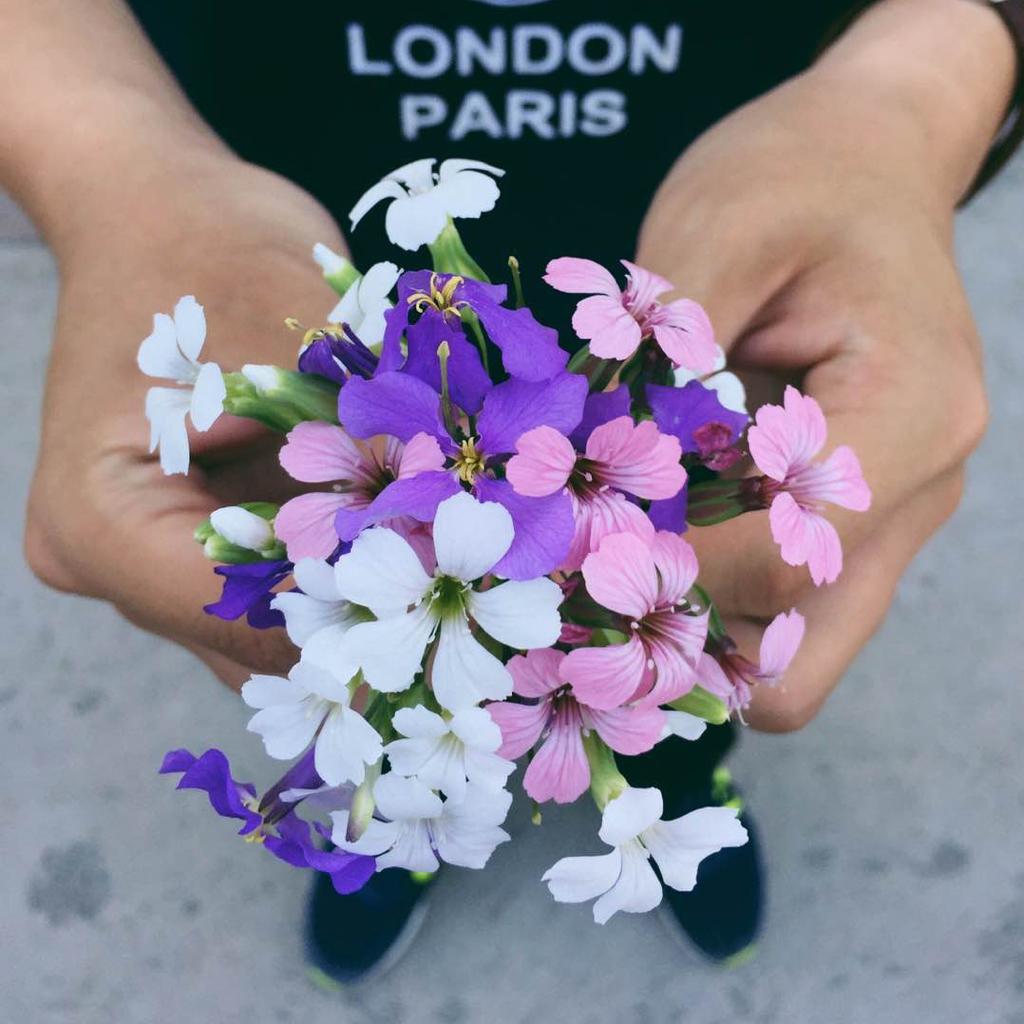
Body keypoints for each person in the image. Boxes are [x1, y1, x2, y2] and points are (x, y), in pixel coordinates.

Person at [3, 0, 1017, 981]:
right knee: (389, 709)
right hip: (326, 298)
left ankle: (671, 792)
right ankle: (401, 817)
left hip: (697, 312)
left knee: (683, 673)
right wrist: (109, 158)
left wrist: (911, 83)